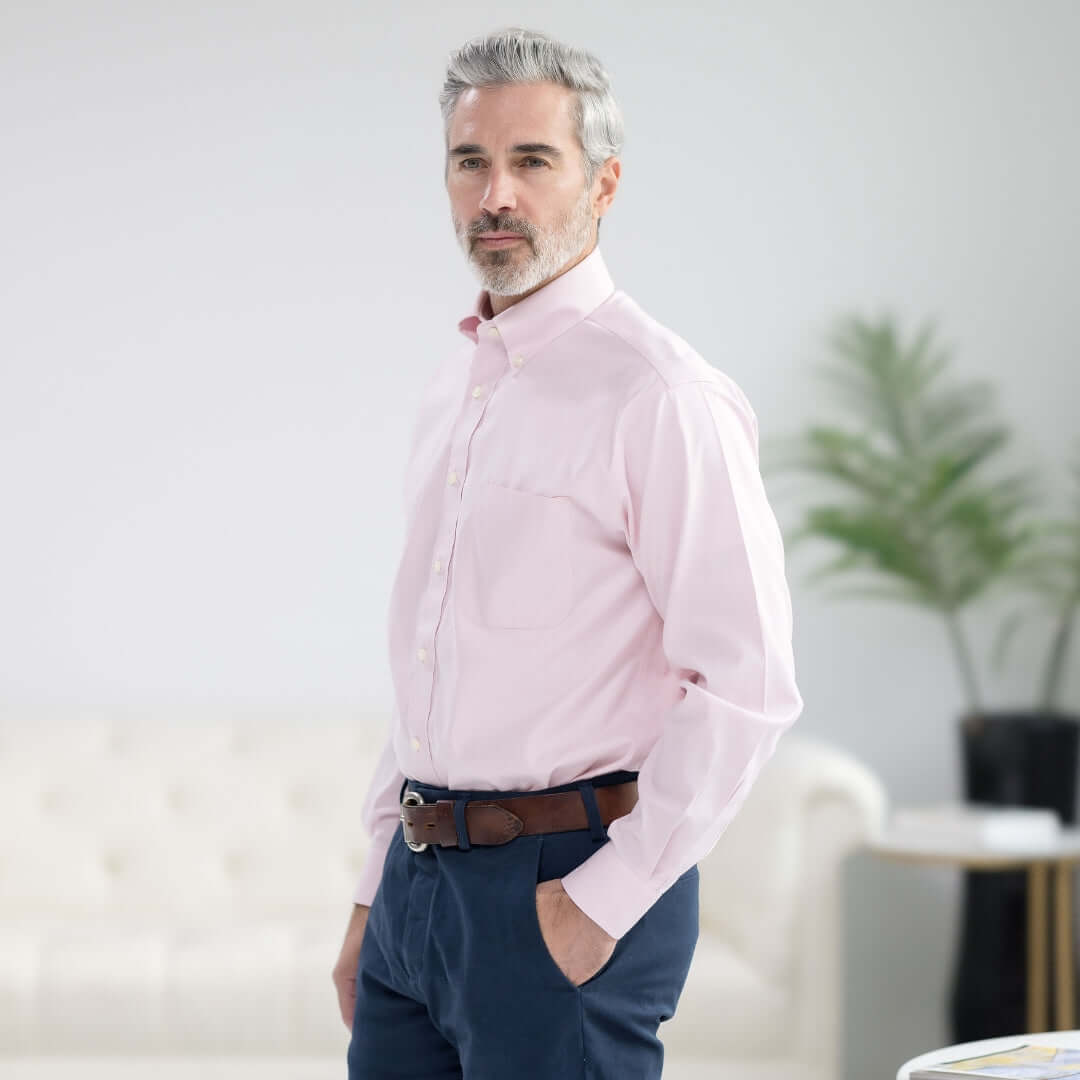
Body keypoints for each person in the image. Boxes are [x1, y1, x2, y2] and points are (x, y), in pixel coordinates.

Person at [332, 25, 804, 1079]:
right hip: (416, 888)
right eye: (470, 161)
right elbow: (430, 669)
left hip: (564, 883)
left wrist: (602, 903)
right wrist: (374, 893)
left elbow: (749, 684)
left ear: (604, 183)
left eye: (532, 160)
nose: (495, 194)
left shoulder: (662, 396)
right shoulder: (452, 391)